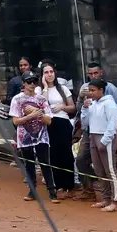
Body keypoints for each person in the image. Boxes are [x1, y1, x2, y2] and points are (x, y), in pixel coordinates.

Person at [7, 73, 56, 202]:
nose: (32, 84)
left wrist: (35, 113)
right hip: (25, 136)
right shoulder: (17, 99)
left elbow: (49, 121)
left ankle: (52, 191)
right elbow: (16, 121)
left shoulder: (41, 99)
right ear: (23, 83)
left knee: (45, 162)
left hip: (41, 136)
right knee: (29, 164)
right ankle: (32, 191)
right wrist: (31, 116)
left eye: (34, 81)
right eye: (29, 81)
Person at [82, 80, 117, 210]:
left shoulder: (110, 104)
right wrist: (85, 108)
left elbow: (113, 124)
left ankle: (115, 201)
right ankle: (105, 198)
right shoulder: (92, 104)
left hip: (105, 137)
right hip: (93, 136)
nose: (91, 93)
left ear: (101, 90)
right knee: (99, 171)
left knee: (110, 170)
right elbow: (85, 122)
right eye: (89, 90)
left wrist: (104, 141)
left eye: (93, 90)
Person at [39, 62, 77, 195]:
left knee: (66, 153)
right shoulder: (40, 90)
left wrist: (62, 107)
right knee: (53, 154)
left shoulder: (63, 89)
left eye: (51, 72)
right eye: (46, 72)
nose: (49, 75)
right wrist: (44, 87)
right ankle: (58, 184)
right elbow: (41, 106)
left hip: (63, 122)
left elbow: (72, 107)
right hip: (49, 123)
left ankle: (69, 185)